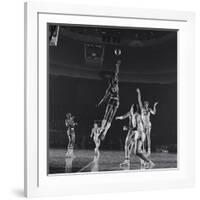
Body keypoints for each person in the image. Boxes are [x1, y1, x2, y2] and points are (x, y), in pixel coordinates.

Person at [116, 104, 155, 169]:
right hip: (138, 133)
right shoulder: (132, 114)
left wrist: (127, 128)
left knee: (136, 150)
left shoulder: (137, 116)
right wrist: (119, 117)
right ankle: (147, 162)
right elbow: (124, 116)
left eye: (131, 108)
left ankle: (146, 162)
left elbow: (136, 127)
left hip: (140, 134)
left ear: (133, 109)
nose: (130, 109)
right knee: (136, 151)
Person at [97, 60, 120, 140]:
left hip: (114, 101)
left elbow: (116, 73)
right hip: (115, 101)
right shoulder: (111, 87)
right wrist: (100, 102)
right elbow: (104, 97)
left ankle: (103, 130)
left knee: (108, 115)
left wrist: (117, 66)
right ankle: (104, 131)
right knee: (109, 116)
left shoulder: (113, 84)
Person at [136, 88, 158, 156]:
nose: (145, 104)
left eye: (146, 104)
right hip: (143, 125)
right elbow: (139, 100)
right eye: (145, 103)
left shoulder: (149, 109)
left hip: (148, 125)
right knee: (143, 137)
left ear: (148, 104)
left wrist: (154, 106)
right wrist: (139, 93)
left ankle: (149, 149)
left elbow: (154, 113)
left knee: (148, 137)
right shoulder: (142, 108)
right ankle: (143, 148)